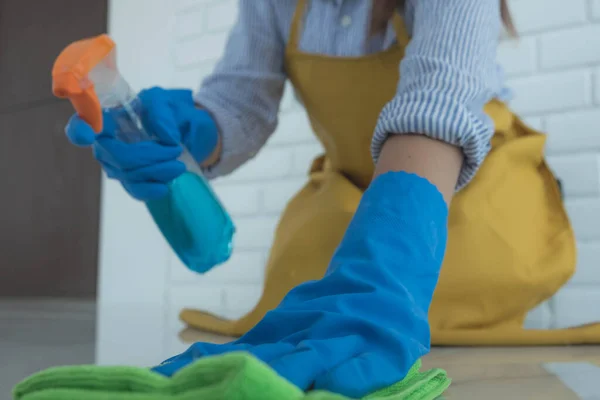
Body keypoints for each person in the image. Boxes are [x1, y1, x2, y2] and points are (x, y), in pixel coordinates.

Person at [66, 0, 597, 397]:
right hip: (352, 192)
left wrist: (382, 272)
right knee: (304, 303)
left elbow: (440, 97)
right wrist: (193, 132)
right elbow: (242, 102)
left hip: (475, 197)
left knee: (427, 303)